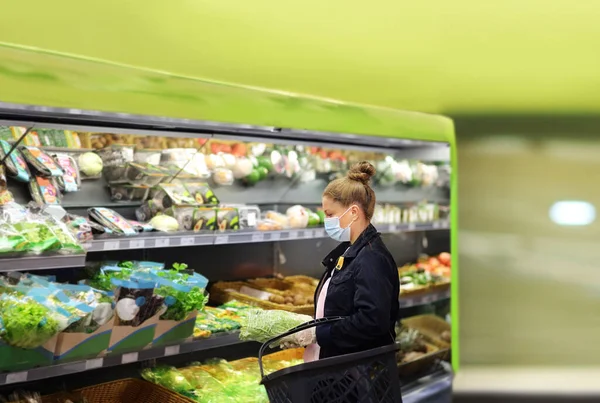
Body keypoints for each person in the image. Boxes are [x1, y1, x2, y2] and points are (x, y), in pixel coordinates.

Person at [281, 161, 400, 362]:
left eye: (330, 214)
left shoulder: (372, 259)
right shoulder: (348, 250)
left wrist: (319, 334)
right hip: (335, 369)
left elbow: (371, 322)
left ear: (353, 212)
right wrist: (308, 330)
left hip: (354, 378)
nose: (327, 220)